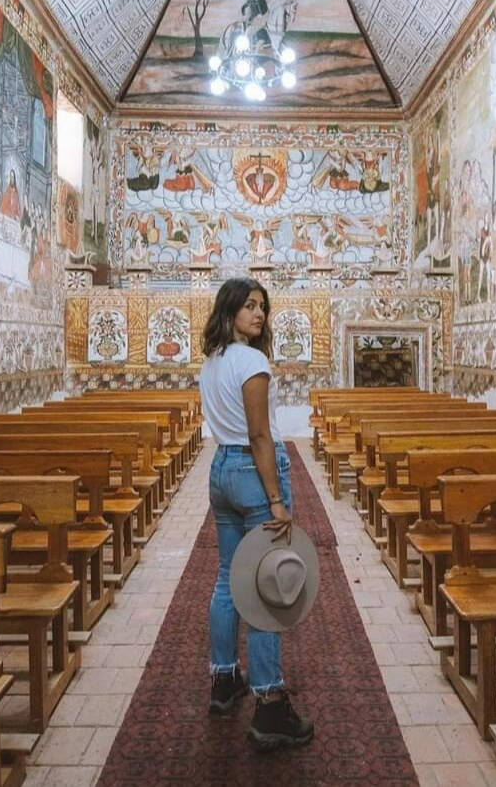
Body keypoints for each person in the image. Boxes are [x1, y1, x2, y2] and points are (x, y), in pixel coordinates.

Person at [199, 278, 314, 751]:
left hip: (221, 469)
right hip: (251, 470)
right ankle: (269, 706)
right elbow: (260, 435)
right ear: (229, 310)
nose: (259, 314)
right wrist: (276, 500)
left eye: (263, 307)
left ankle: (225, 680)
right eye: (249, 306)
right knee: (268, 589)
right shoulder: (252, 361)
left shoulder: (212, 362)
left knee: (228, 578)